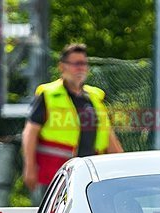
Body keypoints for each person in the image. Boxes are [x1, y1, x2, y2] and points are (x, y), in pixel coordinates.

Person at [22, 43, 124, 204]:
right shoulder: (48, 94)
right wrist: (29, 167)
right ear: (63, 67)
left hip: (89, 174)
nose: (81, 68)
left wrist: (121, 168)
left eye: (84, 64)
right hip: (54, 175)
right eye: (76, 64)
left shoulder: (95, 97)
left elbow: (107, 135)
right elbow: (30, 132)